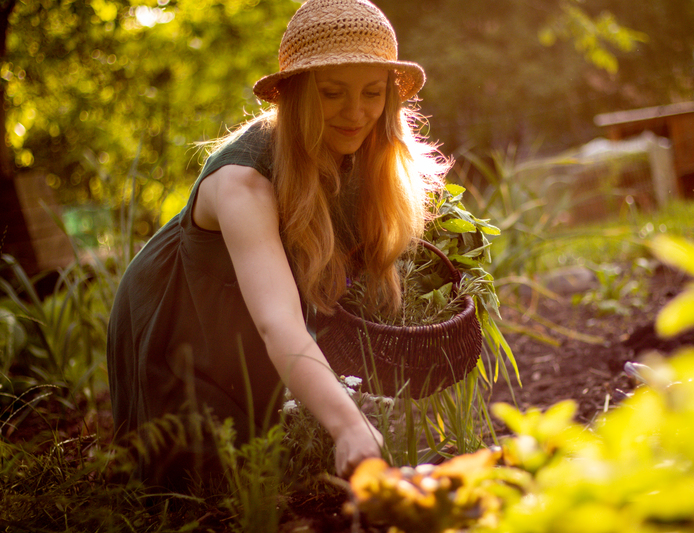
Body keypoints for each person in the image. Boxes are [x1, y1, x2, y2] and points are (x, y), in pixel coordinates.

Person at [106, 0, 449, 487]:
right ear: (295, 95)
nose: (356, 113)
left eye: (372, 93)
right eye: (333, 94)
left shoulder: (360, 152)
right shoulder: (243, 179)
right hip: (181, 315)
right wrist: (349, 426)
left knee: (264, 460)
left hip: (246, 311)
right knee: (203, 483)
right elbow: (277, 322)